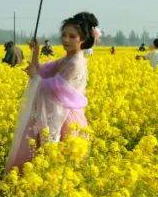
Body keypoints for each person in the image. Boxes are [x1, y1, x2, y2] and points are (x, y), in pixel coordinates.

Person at [6, 12, 98, 172]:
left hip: (65, 118)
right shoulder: (67, 59)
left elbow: (55, 87)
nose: (66, 39)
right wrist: (35, 52)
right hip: (55, 113)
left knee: (56, 163)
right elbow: (41, 72)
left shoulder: (76, 62)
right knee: (45, 160)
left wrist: (35, 76)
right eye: (64, 35)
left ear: (82, 39)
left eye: (72, 36)